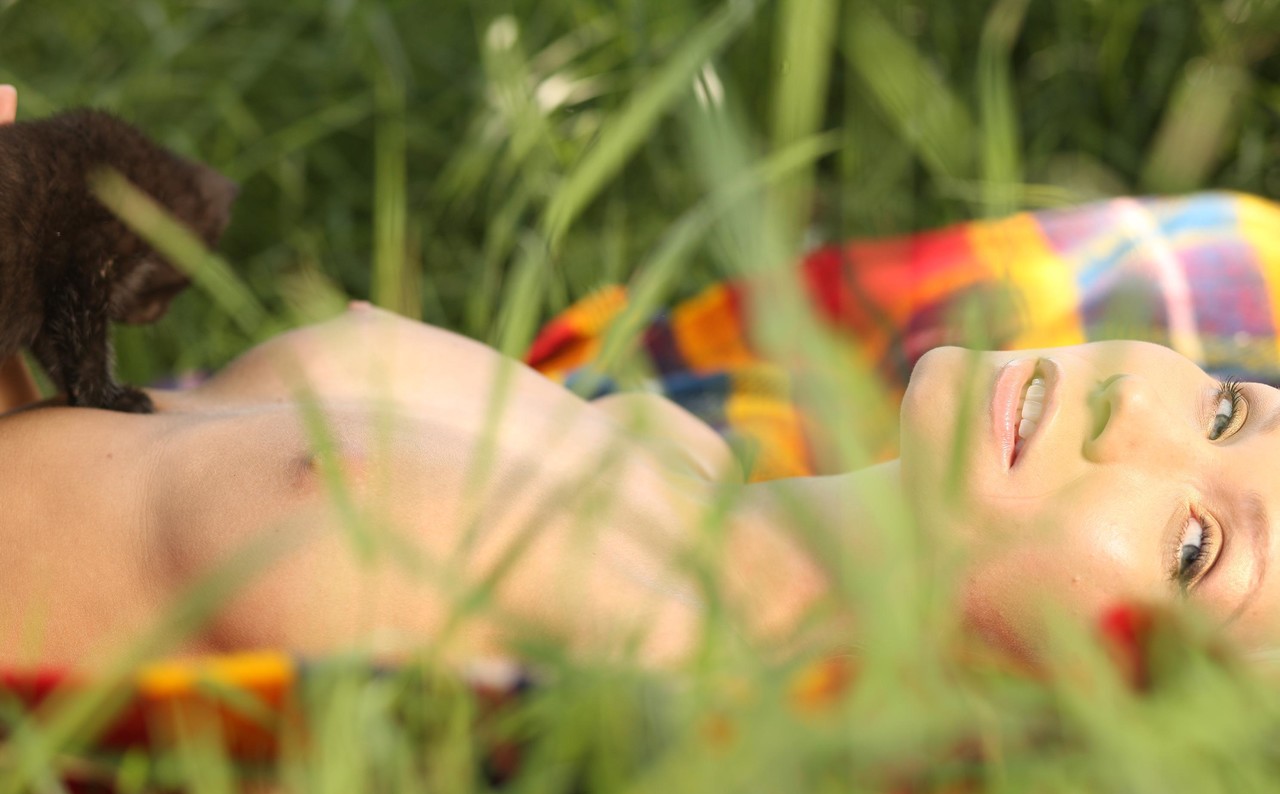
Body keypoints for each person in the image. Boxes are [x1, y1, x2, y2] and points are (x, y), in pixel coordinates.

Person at [1, 86, 1274, 672]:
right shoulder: (667, 448)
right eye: (1226, 406)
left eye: (1194, 546)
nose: (1137, 407)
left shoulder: (644, 682)